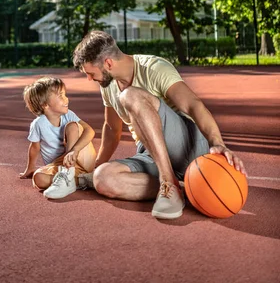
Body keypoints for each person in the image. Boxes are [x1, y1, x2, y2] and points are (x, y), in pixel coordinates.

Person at [72, 31, 247, 219]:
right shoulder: (107, 85)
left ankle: (168, 183)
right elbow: (112, 128)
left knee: (130, 96)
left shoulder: (154, 68)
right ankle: (188, 187)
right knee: (102, 179)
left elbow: (193, 105)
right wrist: (96, 167)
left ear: (108, 63)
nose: (89, 78)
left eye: (91, 73)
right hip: (152, 153)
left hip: (188, 145)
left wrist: (217, 142)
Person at [19, 75, 97, 199]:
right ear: (45, 104)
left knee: (72, 126)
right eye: (61, 96)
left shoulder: (69, 115)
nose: (66, 99)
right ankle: (83, 180)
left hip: (81, 157)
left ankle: (68, 173)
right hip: (59, 166)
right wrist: (30, 168)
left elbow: (90, 131)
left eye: (65, 94)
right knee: (38, 178)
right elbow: (34, 148)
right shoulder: (38, 124)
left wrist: (74, 151)